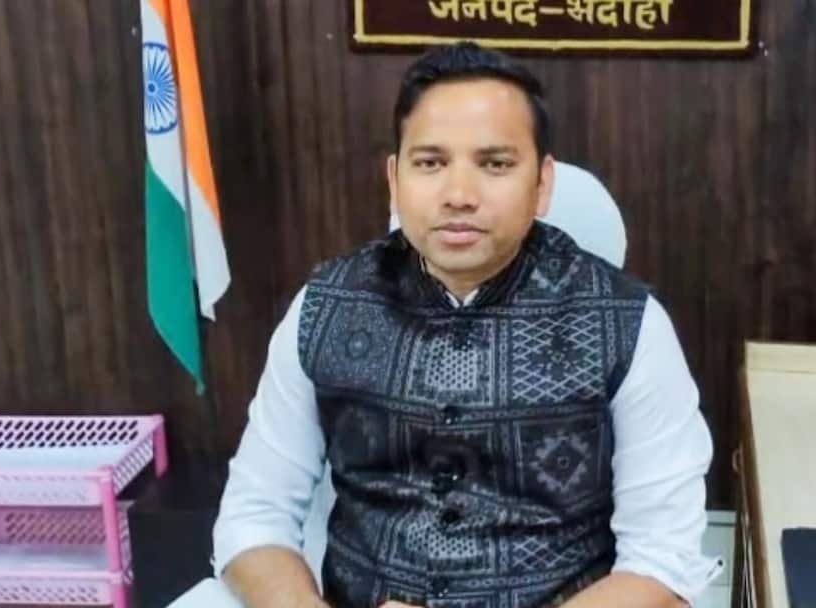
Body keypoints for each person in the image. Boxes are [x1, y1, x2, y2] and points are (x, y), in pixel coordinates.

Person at [212, 41, 720, 608]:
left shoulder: (628, 323)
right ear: (394, 179)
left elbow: (663, 563)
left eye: (495, 164)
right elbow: (254, 516)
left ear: (542, 184)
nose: (459, 195)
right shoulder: (326, 305)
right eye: (430, 163)